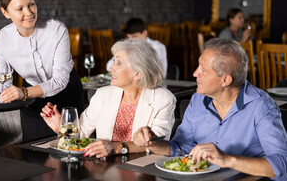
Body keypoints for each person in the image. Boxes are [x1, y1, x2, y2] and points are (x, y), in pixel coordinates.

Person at [133, 38, 287, 180]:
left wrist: (227, 159)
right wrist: (152, 143)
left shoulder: (261, 107)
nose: (195, 73)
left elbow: (280, 165)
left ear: (225, 80)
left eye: (203, 70)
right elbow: (181, 147)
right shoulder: (198, 100)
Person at [41, 39, 176, 158]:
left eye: (118, 63)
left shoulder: (163, 99)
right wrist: (60, 127)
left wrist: (118, 147)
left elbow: (158, 145)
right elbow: (80, 134)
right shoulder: (103, 94)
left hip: (142, 170)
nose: (111, 68)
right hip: (105, 169)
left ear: (138, 73)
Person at [0, 0, 84, 142]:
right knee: (34, 153)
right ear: (5, 12)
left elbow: (60, 80)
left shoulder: (56, 29)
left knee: (72, 147)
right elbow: (3, 81)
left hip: (67, 95)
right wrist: (0, 100)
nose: (29, 12)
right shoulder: (2, 38)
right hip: (31, 102)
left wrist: (24, 93)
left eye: (31, 5)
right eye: (19, 9)